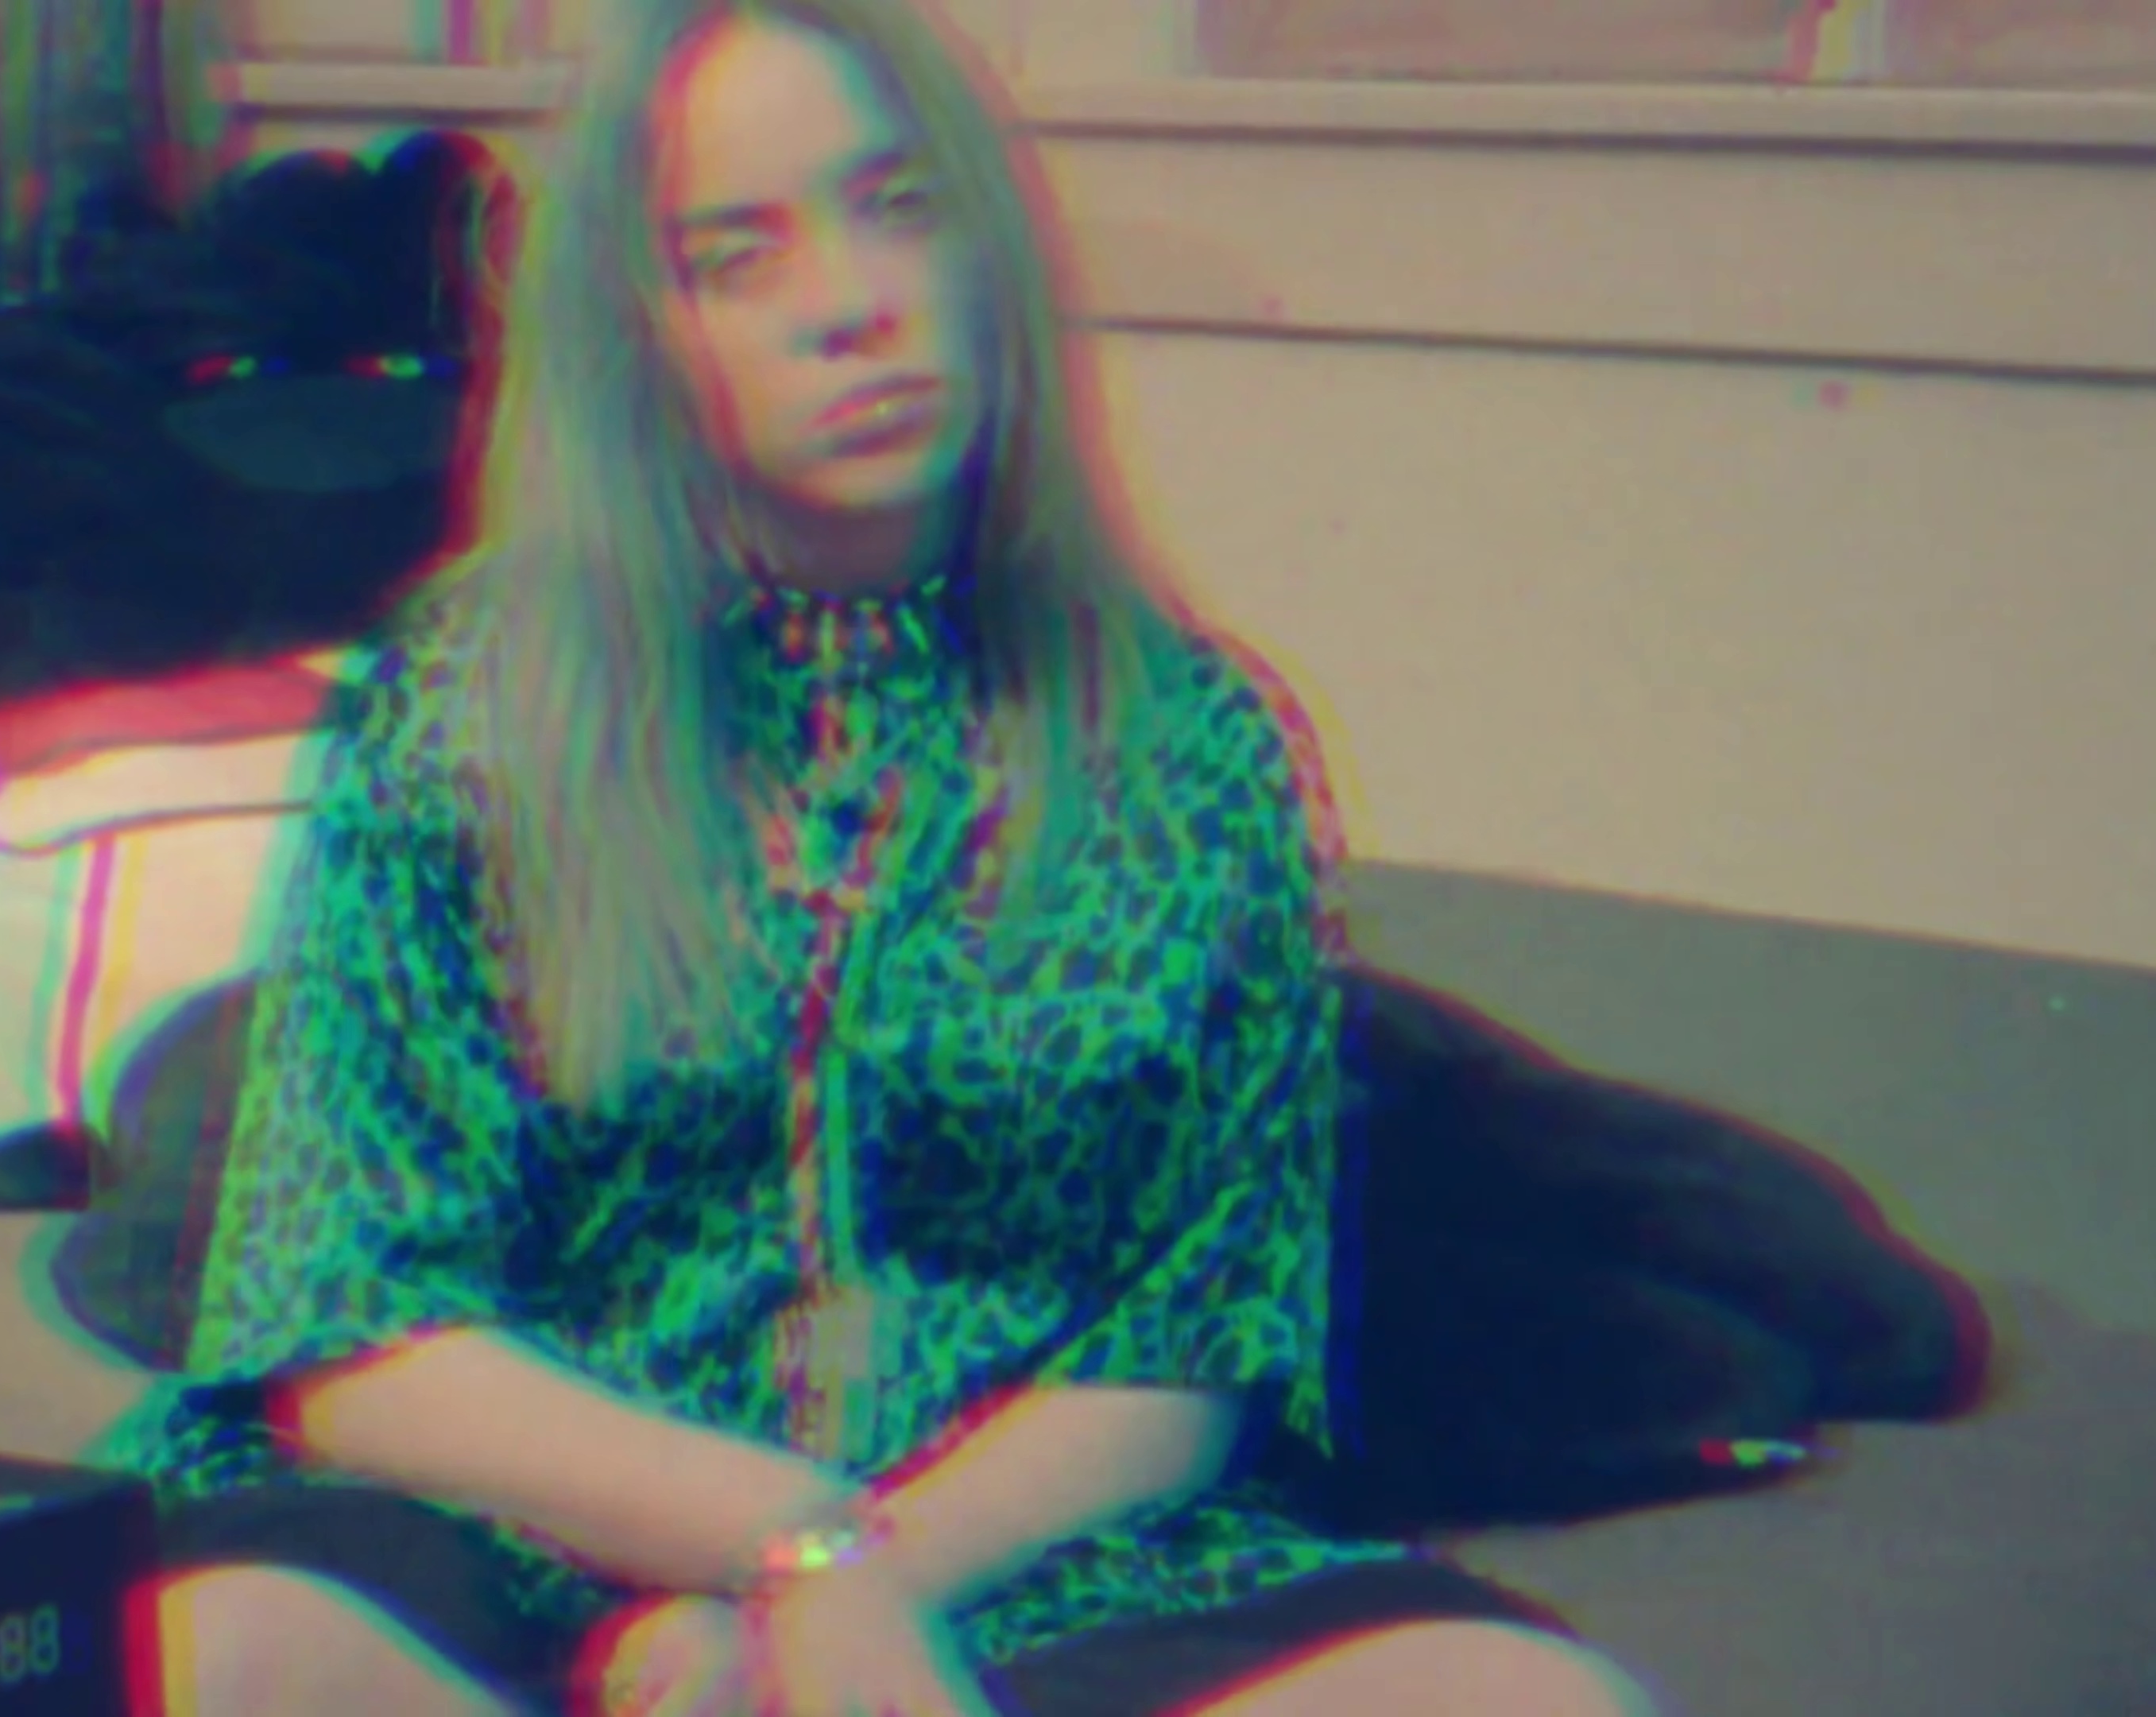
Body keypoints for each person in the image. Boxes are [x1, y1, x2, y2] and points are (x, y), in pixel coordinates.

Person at [132, 2, 1666, 1713]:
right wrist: (782, 1543)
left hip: (1027, 1571)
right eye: (740, 257)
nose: (852, 303)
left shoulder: (1192, 742)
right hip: (530, 1536)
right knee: (208, 1660)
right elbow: (349, 1332)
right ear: (640, 337)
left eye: (900, 208)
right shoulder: (461, 712)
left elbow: (1194, 1339)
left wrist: (846, 1603)